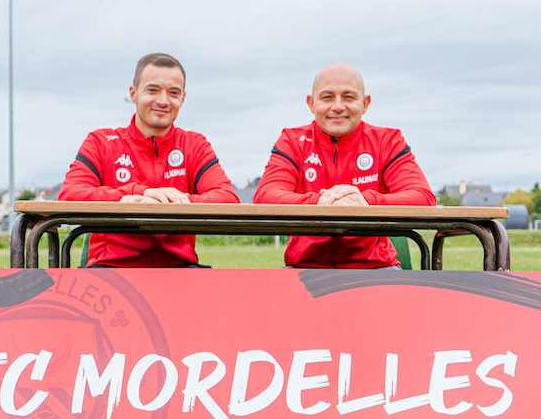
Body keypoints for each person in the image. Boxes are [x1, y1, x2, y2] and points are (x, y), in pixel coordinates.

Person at [59, 52, 238, 267]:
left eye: (173, 93)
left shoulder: (194, 144)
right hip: (111, 269)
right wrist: (136, 194)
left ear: (183, 98)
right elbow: (69, 196)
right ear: (133, 94)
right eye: (152, 90)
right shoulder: (101, 142)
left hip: (179, 268)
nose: (163, 101)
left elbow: (227, 198)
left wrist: (171, 202)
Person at [254, 62, 436, 268]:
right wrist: (320, 202)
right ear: (311, 103)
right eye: (327, 97)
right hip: (304, 267)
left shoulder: (388, 141)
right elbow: (265, 196)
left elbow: (422, 197)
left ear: (365, 103)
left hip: (377, 267)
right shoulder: (292, 141)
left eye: (348, 97)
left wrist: (363, 202)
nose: (338, 106)